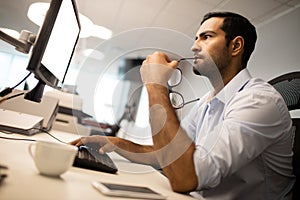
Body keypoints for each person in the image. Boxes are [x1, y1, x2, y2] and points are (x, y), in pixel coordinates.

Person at [70, 12, 295, 199]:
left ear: (235, 46)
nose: (194, 46)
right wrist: (118, 144)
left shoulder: (258, 101)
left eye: (206, 37)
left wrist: (156, 84)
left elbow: (186, 178)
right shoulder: (208, 100)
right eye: (196, 38)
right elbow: (169, 155)